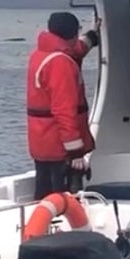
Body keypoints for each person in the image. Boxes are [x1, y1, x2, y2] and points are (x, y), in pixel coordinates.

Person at [26, 11, 99, 201]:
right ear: (73, 34)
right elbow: (64, 111)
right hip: (59, 146)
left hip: (42, 142)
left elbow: (76, 49)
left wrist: (93, 36)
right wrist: (75, 153)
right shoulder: (60, 63)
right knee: (62, 199)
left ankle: (40, 227)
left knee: (43, 193)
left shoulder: (41, 54)